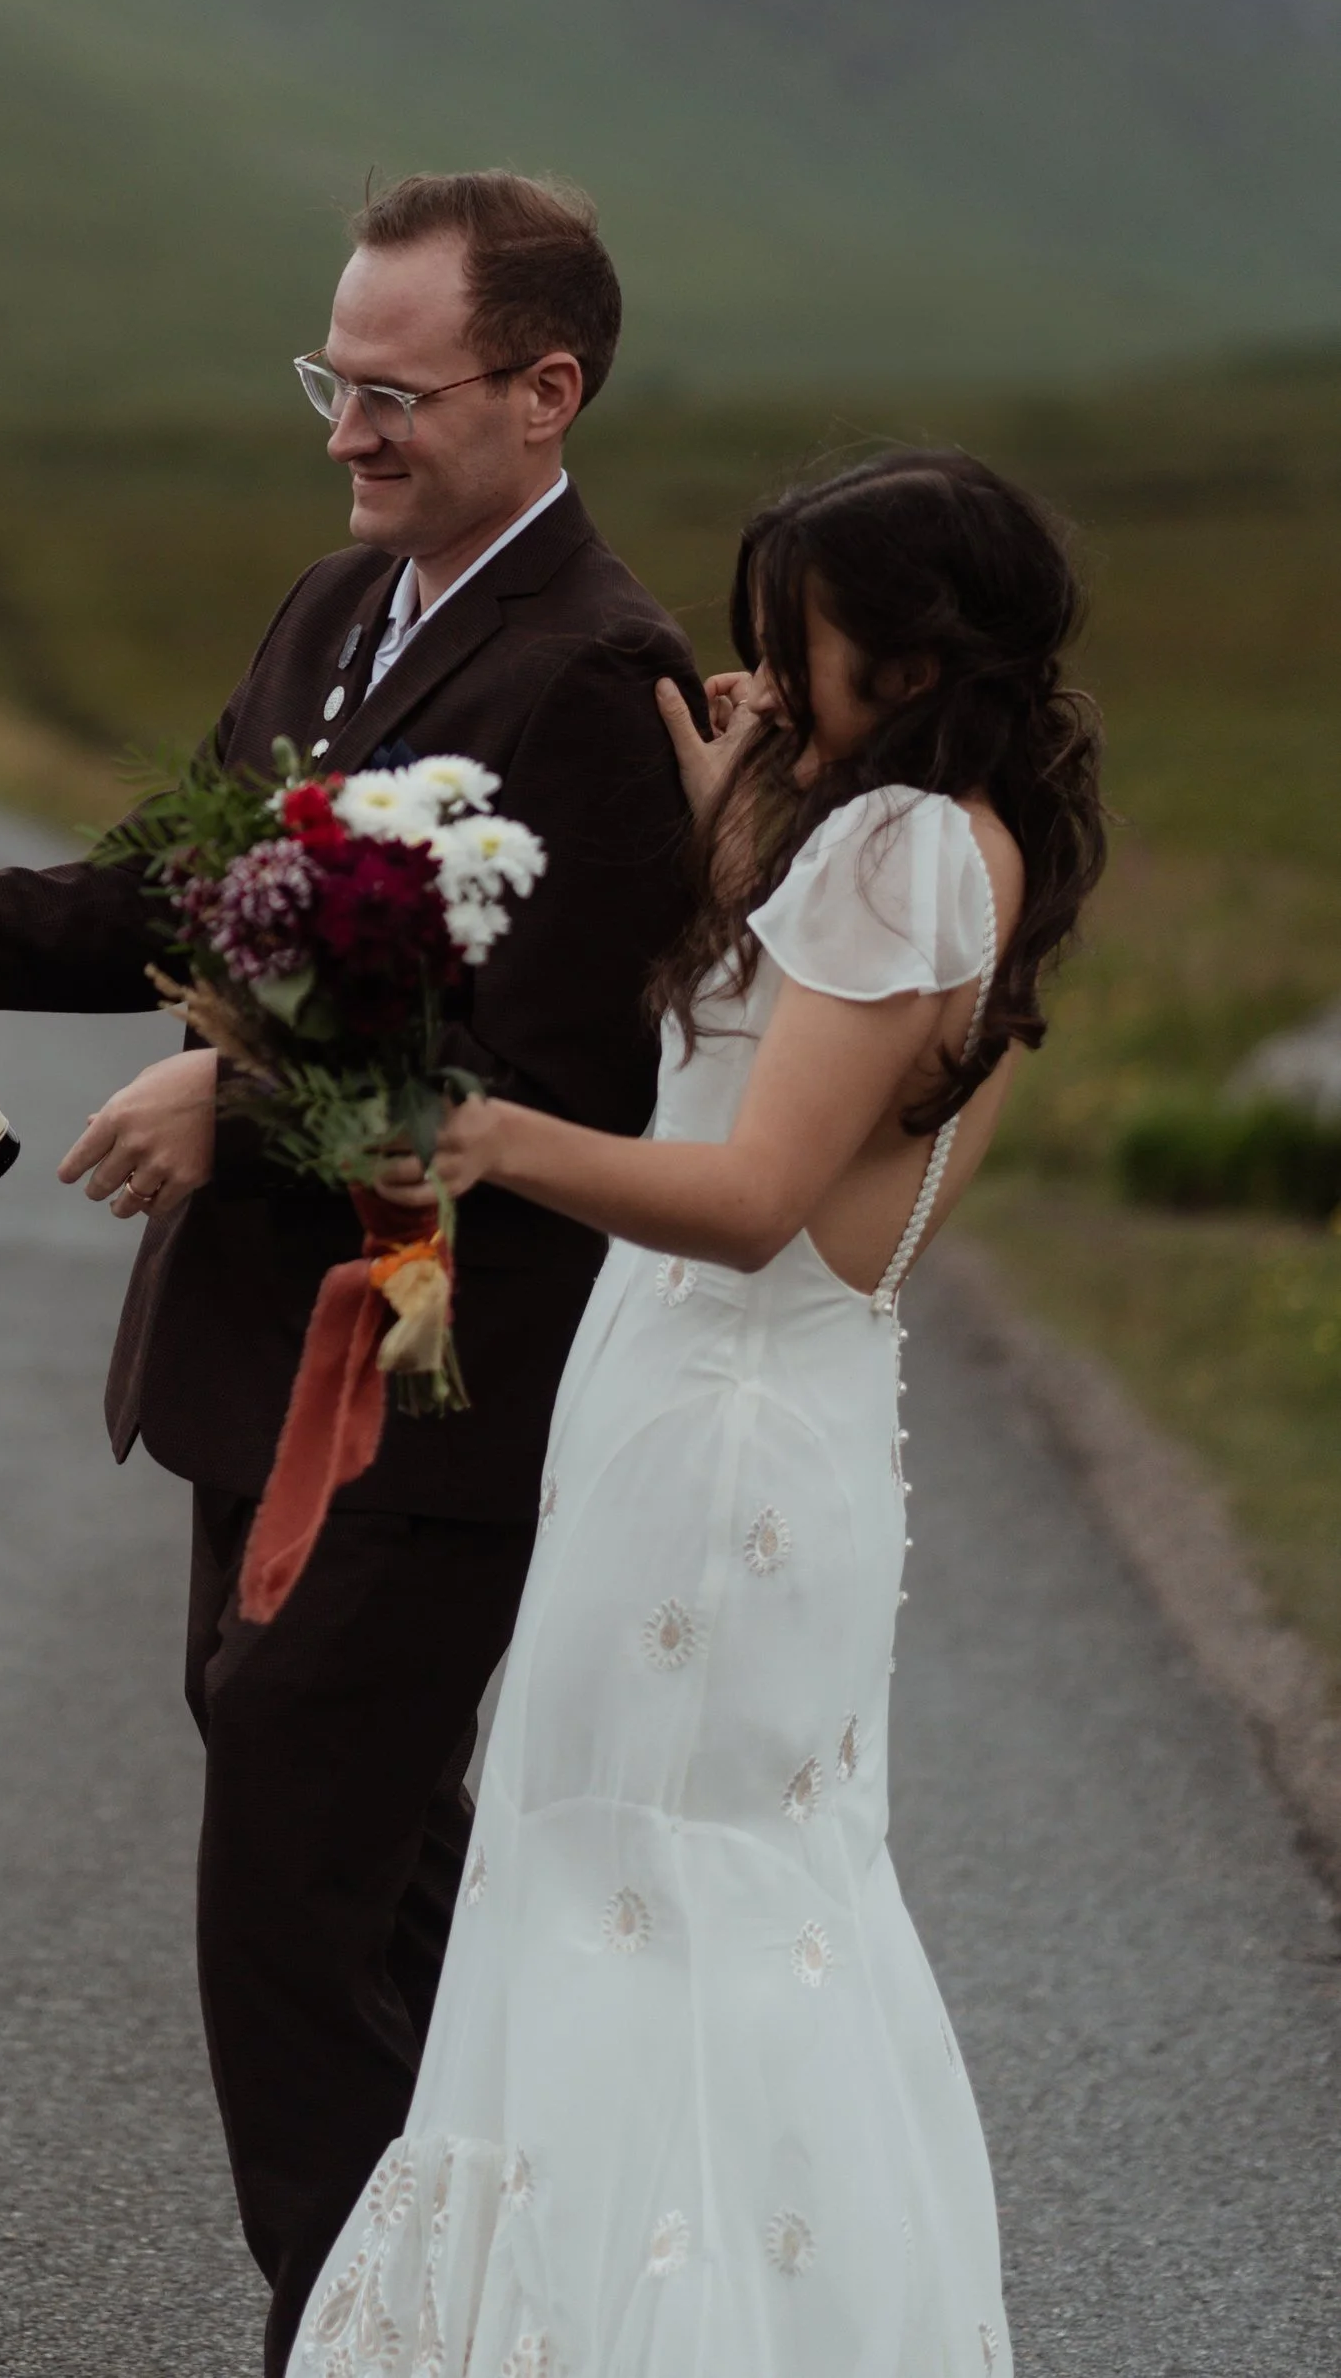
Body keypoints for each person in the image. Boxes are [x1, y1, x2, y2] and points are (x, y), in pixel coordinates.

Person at [0, 169, 701, 2371]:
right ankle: (507, 2313)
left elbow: (554, 1072)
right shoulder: (325, 612)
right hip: (253, 1381)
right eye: (323, 380)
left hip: (426, 1399)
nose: (342, 431)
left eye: (389, 392)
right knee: (380, 1908)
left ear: (544, 394)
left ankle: (340, 2348)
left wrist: (224, 1101)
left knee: (287, 1918)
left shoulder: (590, 676)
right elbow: (154, 908)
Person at [290, 445, 1107, 2378]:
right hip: (766, 1427)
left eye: (790, 644)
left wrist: (484, 1133)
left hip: (715, 1437)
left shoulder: (897, 853)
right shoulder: (954, 844)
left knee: (629, 1890)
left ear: (901, 654)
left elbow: (751, 1203)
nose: (761, 676)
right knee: (707, 1901)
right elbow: (814, 1150)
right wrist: (745, 820)